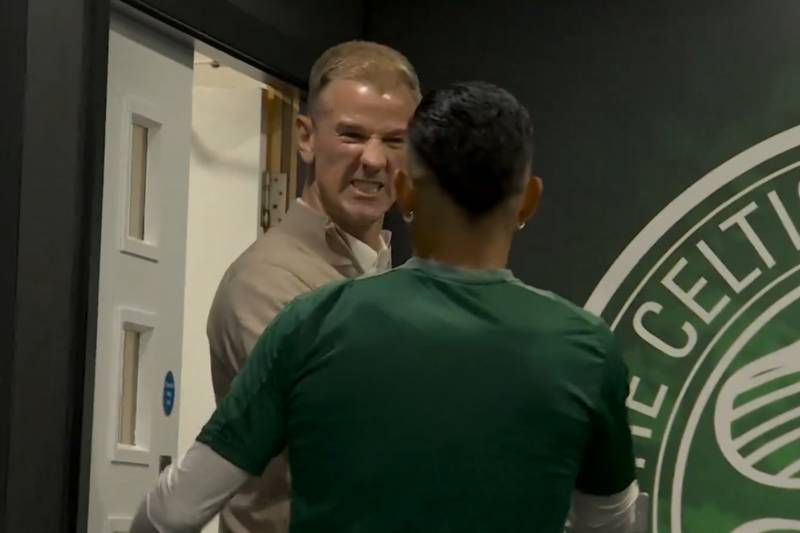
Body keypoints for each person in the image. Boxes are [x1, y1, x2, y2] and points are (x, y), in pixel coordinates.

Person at [131, 81, 642, 533]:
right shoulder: (585, 350)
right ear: (529, 200)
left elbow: (171, 513)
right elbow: (612, 523)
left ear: (402, 192)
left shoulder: (312, 323)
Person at [205, 41, 420, 532]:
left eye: (394, 140)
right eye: (351, 135)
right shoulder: (267, 282)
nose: (372, 159)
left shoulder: (386, 274)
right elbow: (349, 451)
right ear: (305, 137)